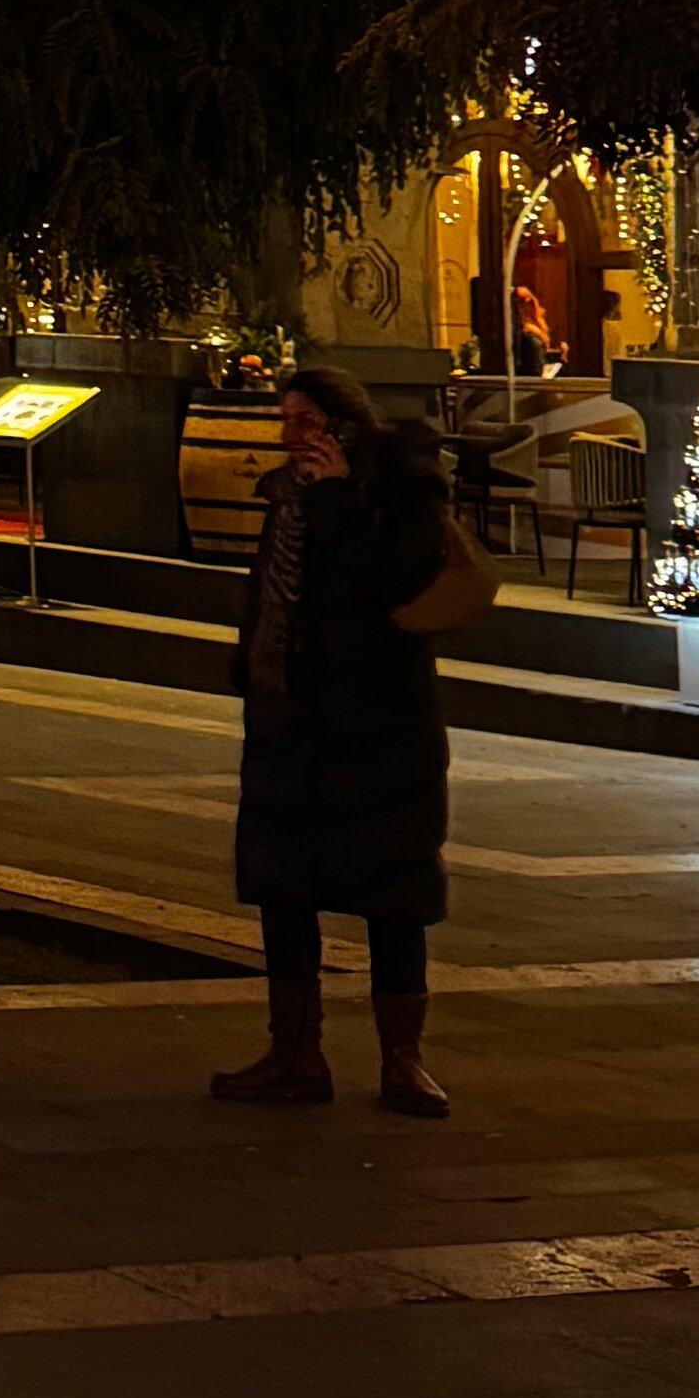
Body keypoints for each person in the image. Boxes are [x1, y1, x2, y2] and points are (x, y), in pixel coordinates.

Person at [215, 363, 458, 1117]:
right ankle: (294, 1055)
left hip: (380, 729)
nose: (292, 439)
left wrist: (338, 501)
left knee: (395, 895)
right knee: (285, 890)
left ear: (344, 426)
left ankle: (402, 1060)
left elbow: (391, 579)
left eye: (305, 424)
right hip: (293, 724)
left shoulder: (399, 488)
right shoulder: (285, 497)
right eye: (284, 423)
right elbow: (271, 594)